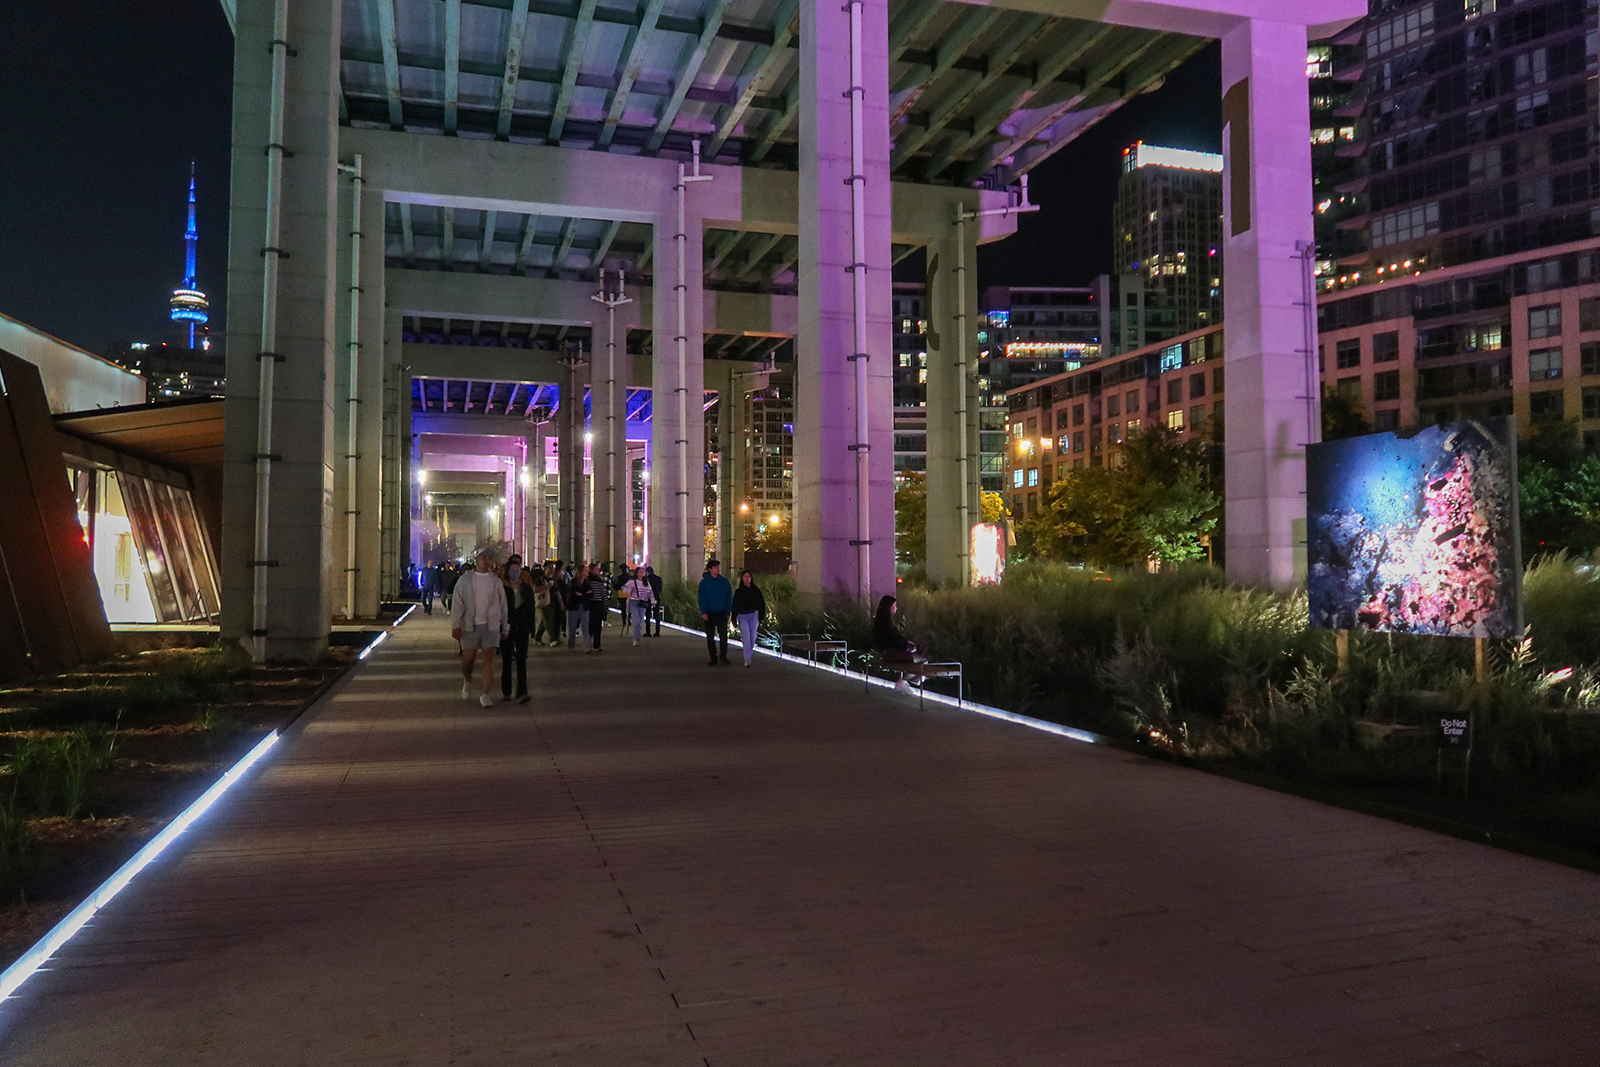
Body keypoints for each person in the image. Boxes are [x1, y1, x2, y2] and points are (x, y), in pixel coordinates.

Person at [450, 551, 508, 708]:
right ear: (476, 560)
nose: (486, 561)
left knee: (489, 657)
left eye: (489, 558)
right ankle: (467, 680)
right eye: (483, 558)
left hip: (491, 625)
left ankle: (485, 693)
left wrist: (505, 626)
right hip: (470, 625)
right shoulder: (465, 580)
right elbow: (457, 603)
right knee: (468, 660)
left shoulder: (495, 581)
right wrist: (456, 625)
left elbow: (503, 605)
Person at [500, 555, 536, 703]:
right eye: (512, 570)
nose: (515, 572)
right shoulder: (502, 588)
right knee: (507, 660)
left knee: (521, 660)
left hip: (521, 626)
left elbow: (531, 609)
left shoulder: (526, 588)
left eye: (517, 569)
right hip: (506, 626)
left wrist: (531, 628)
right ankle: (506, 691)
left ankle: (522, 691)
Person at [698, 559, 734, 666]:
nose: (717, 569)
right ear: (710, 569)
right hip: (709, 612)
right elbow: (701, 598)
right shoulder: (704, 583)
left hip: (722, 612)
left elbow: (729, 597)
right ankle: (713, 657)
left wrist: (728, 611)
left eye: (718, 567)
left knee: (723, 635)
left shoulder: (724, 582)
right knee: (710, 636)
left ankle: (723, 656)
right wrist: (703, 612)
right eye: (715, 567)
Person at [731, 569, 766, 668]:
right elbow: (735, 605)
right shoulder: (739, 592)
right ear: (742, 579)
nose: (747, 578)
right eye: (745, 577)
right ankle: (747, 659)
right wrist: (734, 618)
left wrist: (761, 616)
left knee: (753, 636)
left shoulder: (756, 590)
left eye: (749, 577)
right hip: (742, 616)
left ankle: (748, 655)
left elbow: (761, 604)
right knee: (746, 637)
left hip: (753, 615)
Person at [623, 566, 655, 646]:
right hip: (634, 602)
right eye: (640, 571)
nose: (642, 573)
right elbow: (624, 589)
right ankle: (635, 638)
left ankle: (637, 637)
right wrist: (630, 589)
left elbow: (650, 592)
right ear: (636, 573)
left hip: (643, 603)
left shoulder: (646, 583)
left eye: (643, 571)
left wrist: (653, 600)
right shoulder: (632, 582)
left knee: (640, 622)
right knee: (636, 620)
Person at [582, 563, 611, 651]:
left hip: (596, 604)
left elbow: (603, 593)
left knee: (595, 624)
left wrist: (605, 605)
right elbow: (603, 594)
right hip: (592, 604)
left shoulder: (597, 580)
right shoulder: (588, 581)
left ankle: (594, 644)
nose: (598, 571)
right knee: (591, 624)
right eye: (596, 569)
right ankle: (591, 644)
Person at [530, 563, 554, 646]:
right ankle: (553, 638)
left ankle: (538, 637)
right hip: (541, 603)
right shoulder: (539, 580)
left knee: (544, 622)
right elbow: (536, 590)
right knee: (548, 621)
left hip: (546, 602)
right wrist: (548, 587)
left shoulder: (544, 579)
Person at [646, 565, 664, 636]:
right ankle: (657, 632)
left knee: (648, 615)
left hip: (648, 598)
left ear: (647, 572)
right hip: (656, 597)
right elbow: (660, 589)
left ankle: (648, 632)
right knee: (657, 615)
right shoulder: (658, 579)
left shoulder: (646, 579)